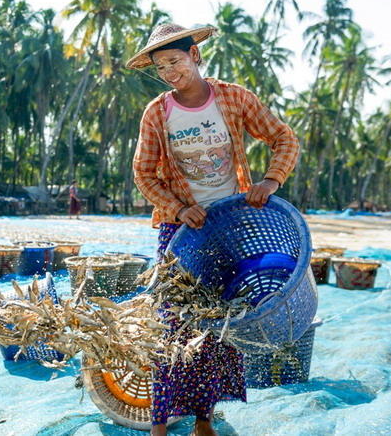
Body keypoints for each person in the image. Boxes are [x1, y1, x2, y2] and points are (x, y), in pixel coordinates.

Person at [127, 23, 300, 435]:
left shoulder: (234, 98)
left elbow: (284, 139)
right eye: (160, 66)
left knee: (218, 324)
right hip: (180, 232)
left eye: (175, 61)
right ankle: (160, 424)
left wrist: (270, 181)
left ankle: (204, 420)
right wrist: (178, 207)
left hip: (230, 227)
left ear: (196, 55)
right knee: (172, 324)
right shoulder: (158, 112)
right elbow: (143, 175)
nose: (169, 72)